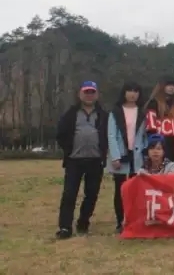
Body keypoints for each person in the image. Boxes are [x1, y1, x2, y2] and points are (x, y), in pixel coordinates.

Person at [55, 81, 108, 240]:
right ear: (80, 94)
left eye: (92, 92)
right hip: (74, 161)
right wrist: (68, 149)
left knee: (91, 194)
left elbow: (108, 135)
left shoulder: (103, 115)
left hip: (95, 160)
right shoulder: (71, 114)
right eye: (86, 92)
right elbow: (61, 134)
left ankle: (83, 222)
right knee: (69, 194)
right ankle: (65, 227)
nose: (89, 95)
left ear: (97, 94)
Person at [107, 81, 147, 233]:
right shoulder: (116, 112)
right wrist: (115, 156)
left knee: (136, 190)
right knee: (120, 189)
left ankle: (134, 220)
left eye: (136, 91)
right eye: (129, 90)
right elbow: (111, 135)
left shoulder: (142, 112)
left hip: (137, 156)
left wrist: (144, 153)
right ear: (124, 93)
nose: (132, 94)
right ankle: (120, 221)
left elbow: (144, 135)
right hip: (121, 155)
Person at [145, 76, 174, 163]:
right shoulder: (154, 103)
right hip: (159, 144)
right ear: (162, 86)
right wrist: (156, 145)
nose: (172, 88)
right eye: (168, 85)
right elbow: (151, 128)